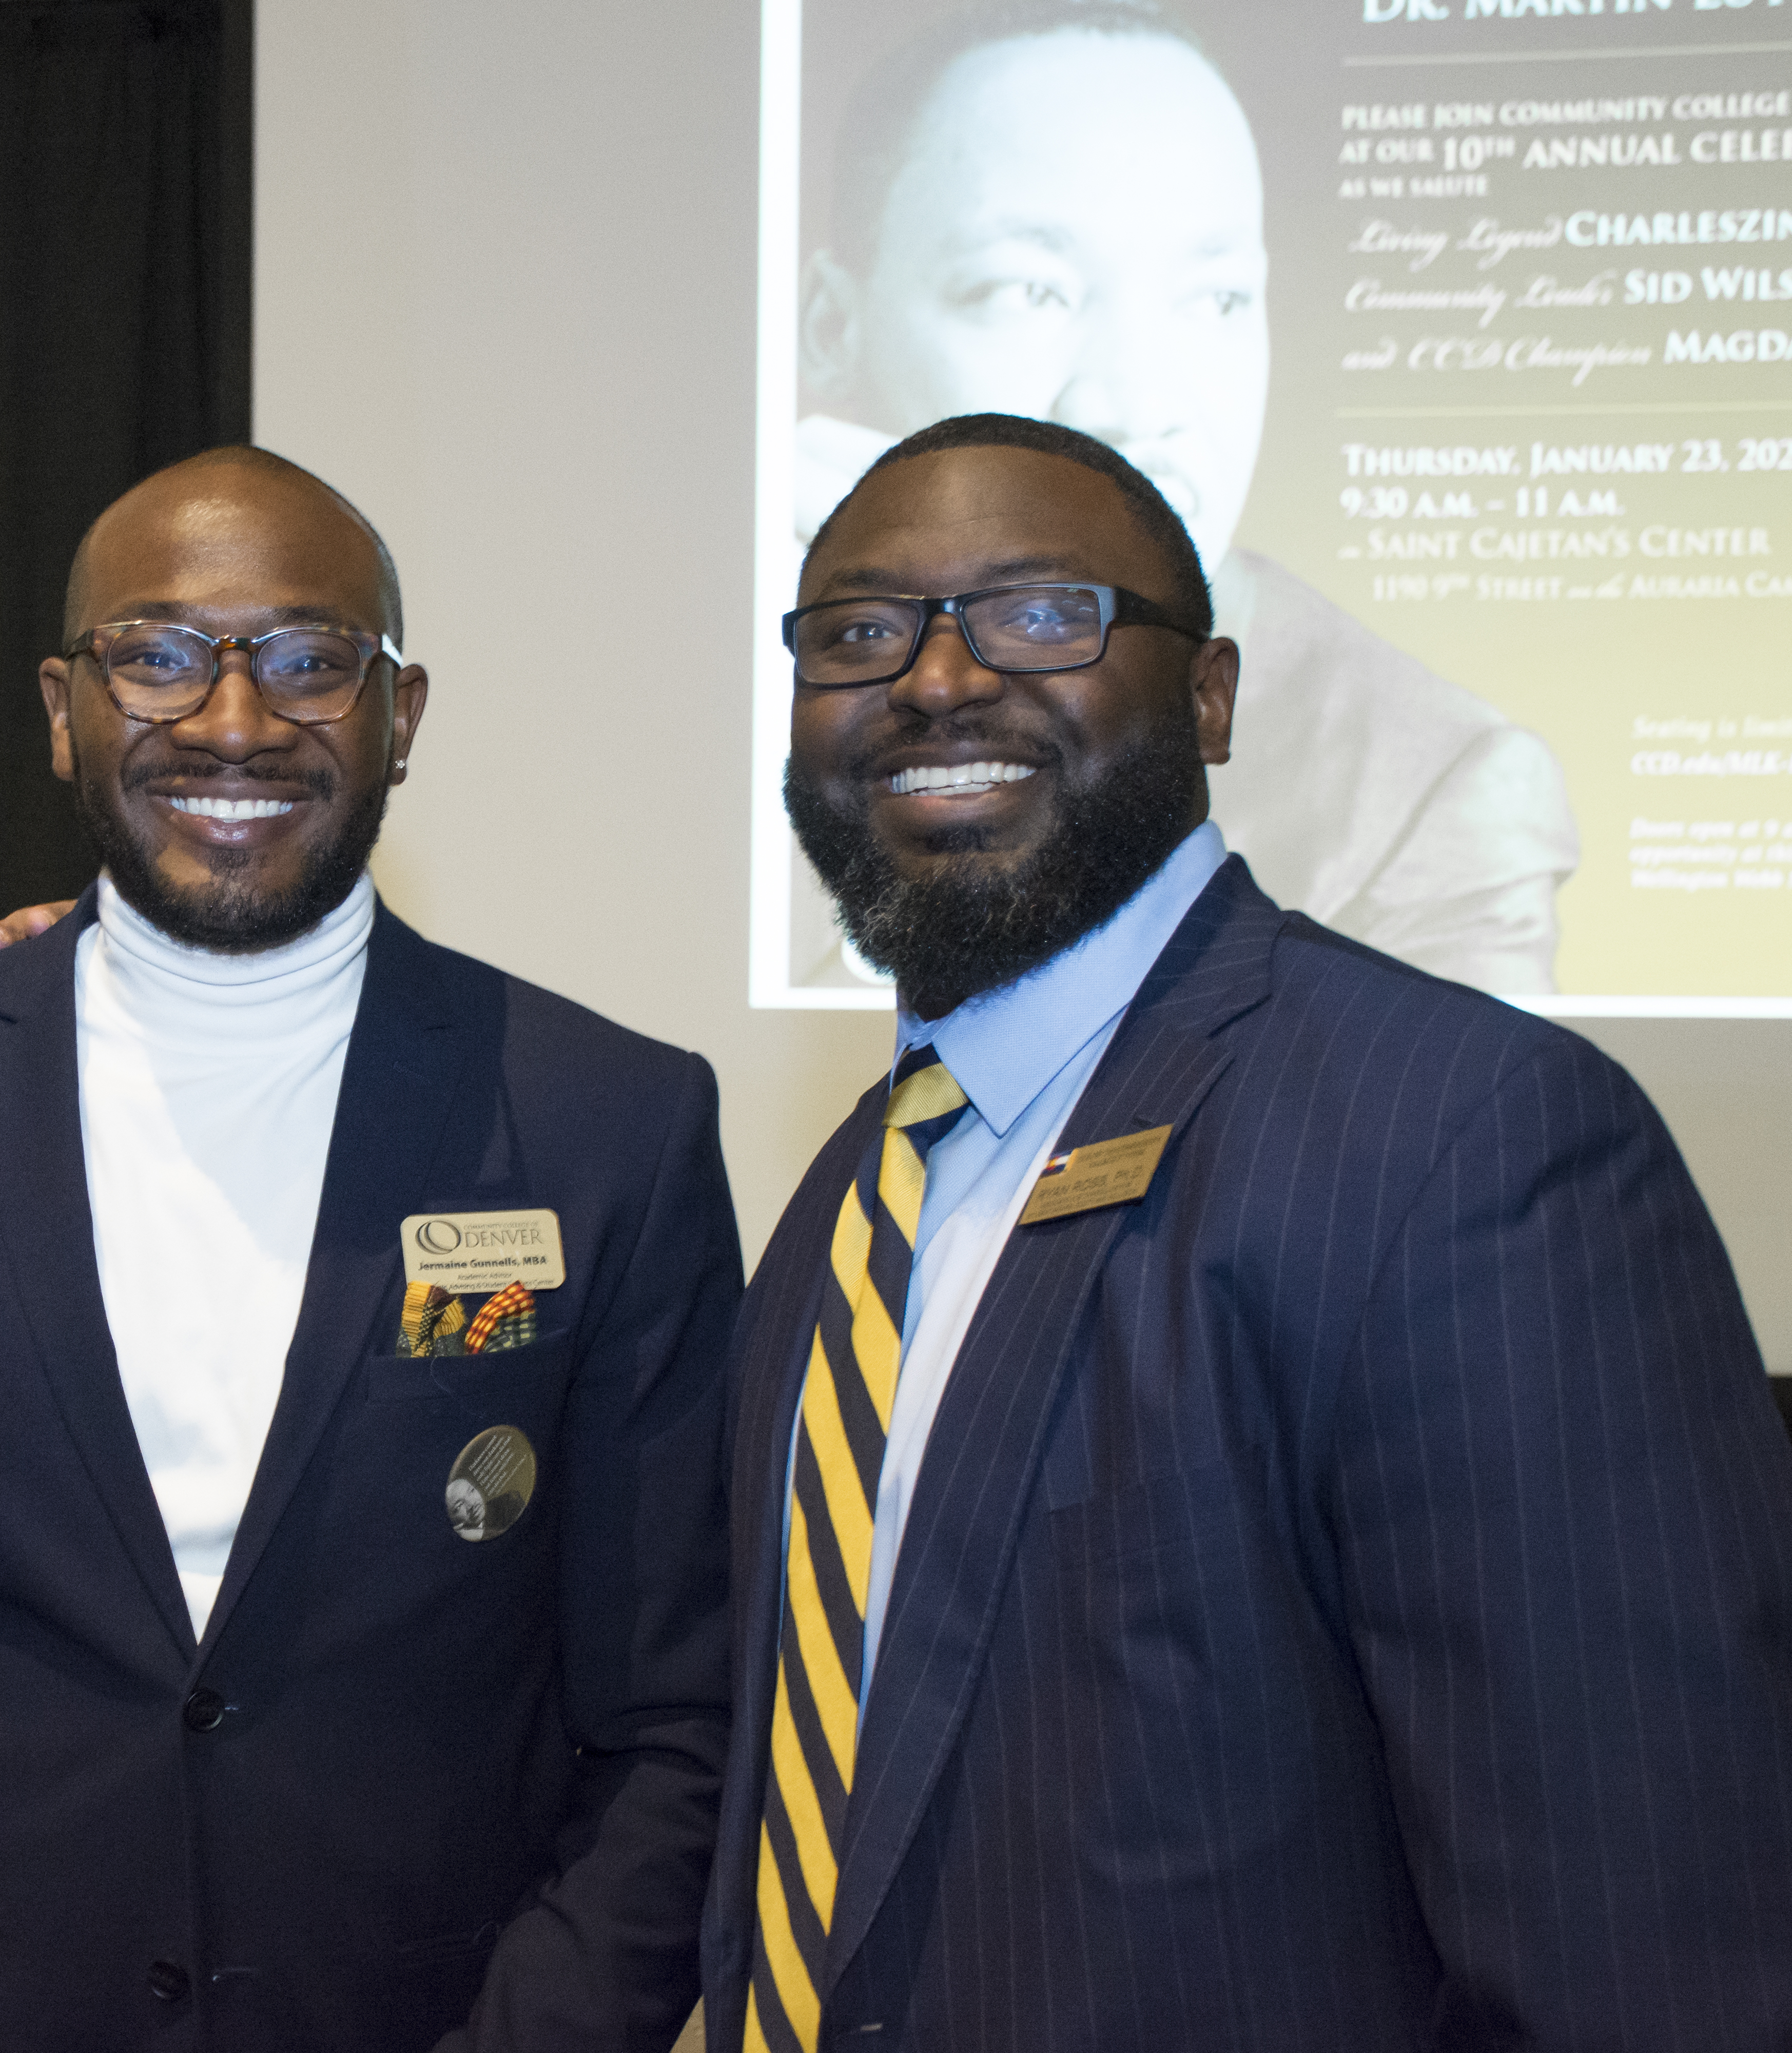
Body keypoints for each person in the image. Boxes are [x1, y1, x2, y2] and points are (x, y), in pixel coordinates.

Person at [702, 411, 1792, 2049]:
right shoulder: (854, 1196)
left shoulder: (1468, 1140)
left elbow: (1635, 1960)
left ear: (1207, 697)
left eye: (1041, 612)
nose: (935, 681)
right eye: (862, 632)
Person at [0, 448, 744, 2051]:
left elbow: (678, 1722)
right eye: (155, 656)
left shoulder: (608, 1123)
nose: (231, 721)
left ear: (400, 717)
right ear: (61, 707)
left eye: (306, 659)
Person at [787, 0, 1579, 993]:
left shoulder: (1431, 787)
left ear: (1213, 696)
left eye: (1215, 301)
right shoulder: (759, 680)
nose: (1138, 400)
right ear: (830, 326)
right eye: (1025, 291)